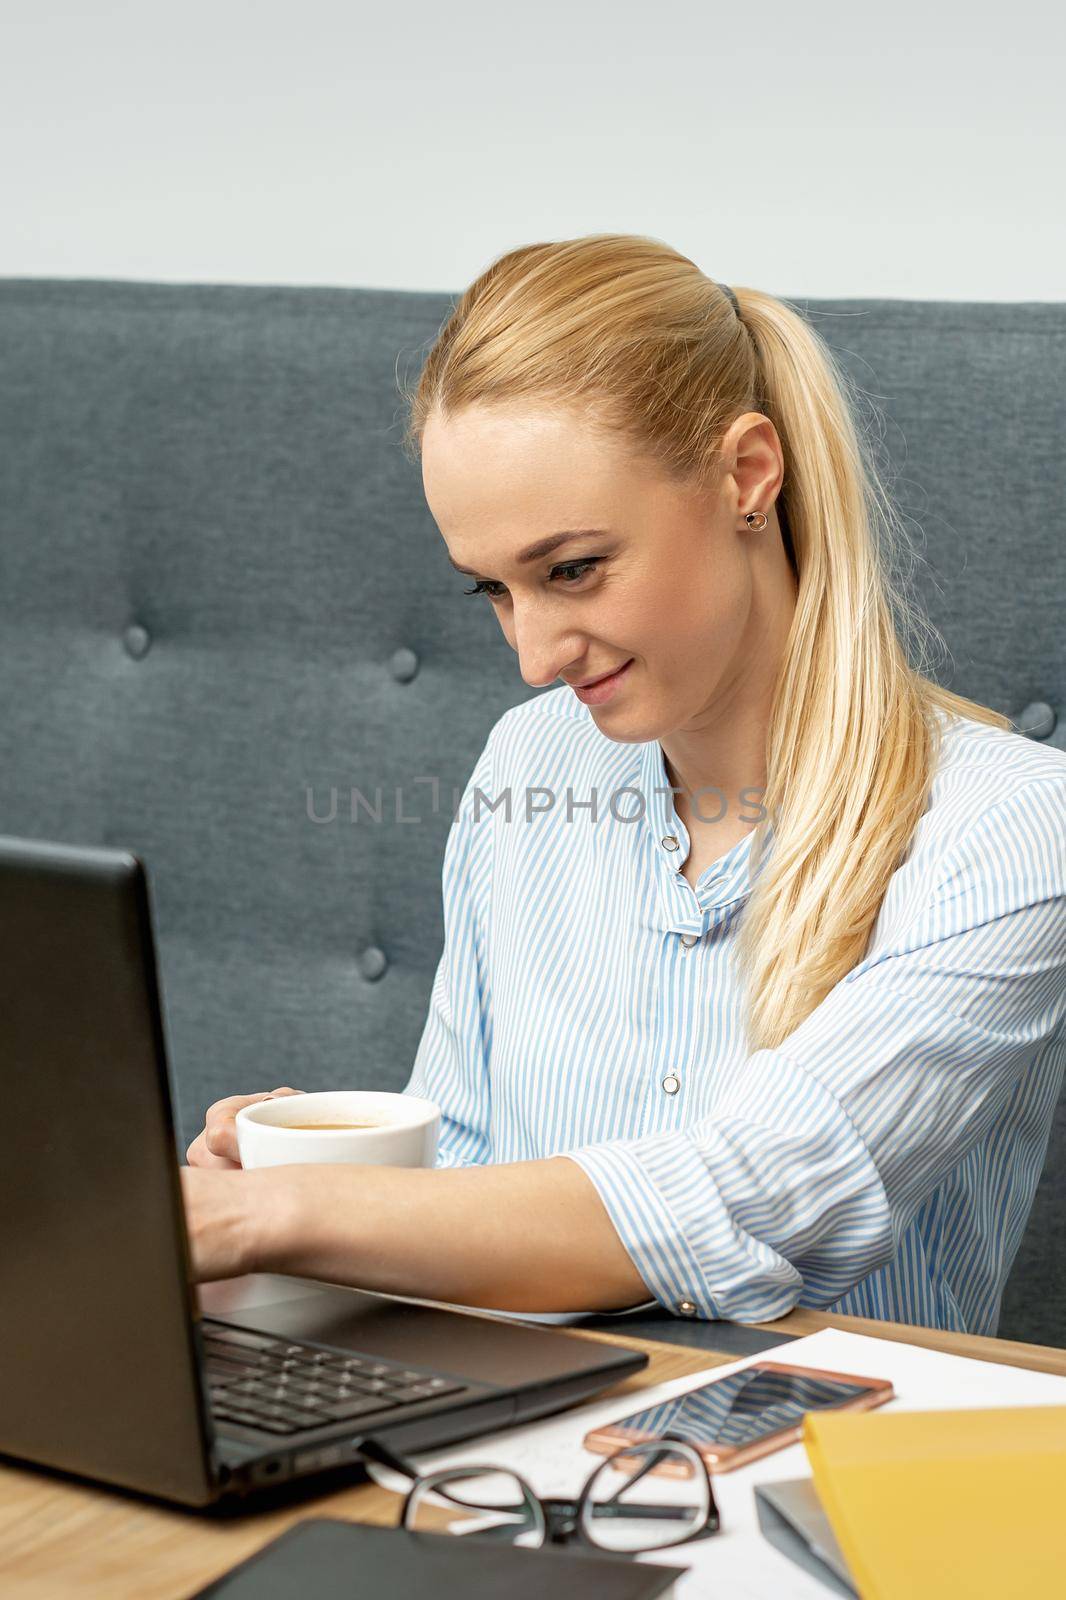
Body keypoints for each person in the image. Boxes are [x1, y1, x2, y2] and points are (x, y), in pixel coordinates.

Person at [182, 234, 1066, 1335]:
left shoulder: (1010, 828)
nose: (535, 654)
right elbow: (462, 1158)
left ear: (747, 476)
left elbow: (747, 1201)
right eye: (493, 593)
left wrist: (280, 1213)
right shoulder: (528, 760)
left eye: (571, 570)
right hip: (503, 1448)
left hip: (826, 1471)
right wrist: (305, 1173)